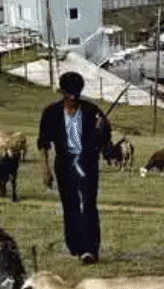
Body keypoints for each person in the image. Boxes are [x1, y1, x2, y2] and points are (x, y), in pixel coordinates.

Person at [38, 71, 111, 265]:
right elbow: (43, 143)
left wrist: (102, 129)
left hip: (87, 163)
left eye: (76, 95)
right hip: (64, 163)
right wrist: (45, 169)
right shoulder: (51, 113)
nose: (73, 100)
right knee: (69, 205)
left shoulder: (92, 111)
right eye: (69, 95)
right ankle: (75, 246)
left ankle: (90, 250)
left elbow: (106, 140)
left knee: (88, 203)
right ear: (62, 92)